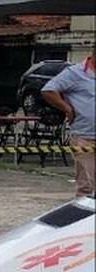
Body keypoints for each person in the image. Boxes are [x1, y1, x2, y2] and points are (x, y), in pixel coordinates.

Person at [42, 46, 95, 197]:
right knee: (87, 183)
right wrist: (67, 108)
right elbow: (49, 90)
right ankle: (83, 217)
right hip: (84, 136)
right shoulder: (75, 73)